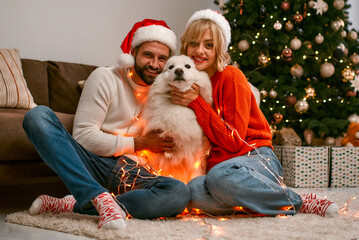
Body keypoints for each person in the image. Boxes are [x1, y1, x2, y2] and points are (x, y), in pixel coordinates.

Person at [22, 19, 190, 230]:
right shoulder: (105, 77)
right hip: (94, 162)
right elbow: (83, 138)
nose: (155, 64)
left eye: (162, 58)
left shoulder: (165, 91)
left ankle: (76, 204)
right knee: (37, 117)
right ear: (134, 53)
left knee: (179, 193)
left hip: (131, 172)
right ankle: (98, 196)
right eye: (148, 55)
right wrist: (138, 143)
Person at [169, 9, 338, 217]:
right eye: (194, 43)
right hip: (223, 170)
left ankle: (296, 201)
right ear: (185, 45)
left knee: (218, 178)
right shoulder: (189, 83)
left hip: (255, 158)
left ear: (219, 48)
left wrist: (197, 103)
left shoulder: (231, 76)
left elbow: (234, 141)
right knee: (193, 191)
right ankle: (259, 203)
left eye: (209, 45)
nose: (199, 50)